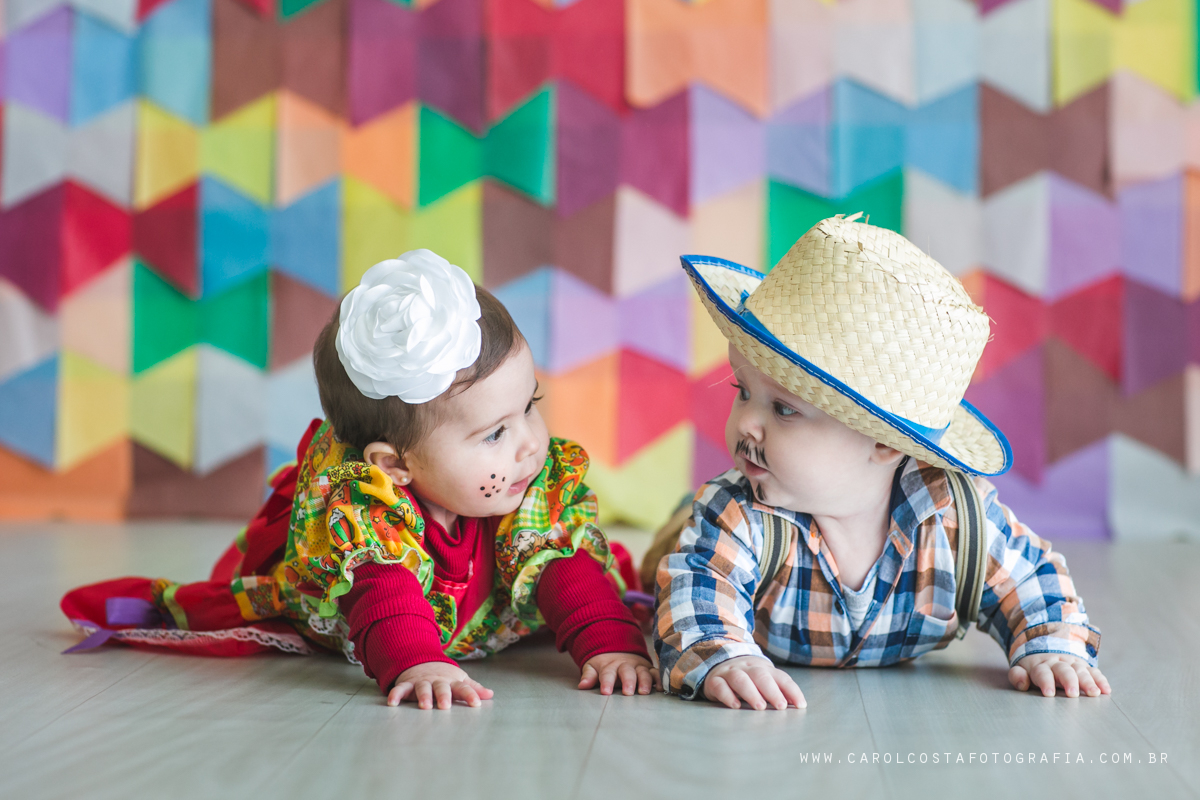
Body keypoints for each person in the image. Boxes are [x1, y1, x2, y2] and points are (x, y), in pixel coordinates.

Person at [62, 250, 656, 710]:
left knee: (589, 572)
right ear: (395, 466)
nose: (530, 443)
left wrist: (611, 646)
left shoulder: (523, 484)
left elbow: (563, 567)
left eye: (530, 405)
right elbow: (384, 593)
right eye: (495, 433)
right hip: (382, 618)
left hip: (482, 608)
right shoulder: (363, 512)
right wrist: (418, 663)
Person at [653, 215, 1109, 710]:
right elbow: (699, 587)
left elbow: (1032, 580)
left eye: (783, 409)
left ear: (885, 444)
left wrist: (1051, 647)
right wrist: (725, 656)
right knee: (675, 549)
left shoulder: (956, 521)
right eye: (742, 392)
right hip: (696, 536)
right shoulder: (737, 514)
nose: (746, 424)